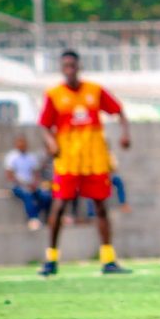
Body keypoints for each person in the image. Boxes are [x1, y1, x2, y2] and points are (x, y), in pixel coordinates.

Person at [38, 49, 132, 276]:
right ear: (62, 69)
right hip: (68, 160)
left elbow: (119, 111)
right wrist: (51, 142)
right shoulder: (54, 94)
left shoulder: (94, 91)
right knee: (59, 206)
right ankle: (51, 259)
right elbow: (43, 125)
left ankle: (108, 260)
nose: (69, 70)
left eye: (73, 65)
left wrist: (125, 133)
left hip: (94, 159)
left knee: (100, 206)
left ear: (79, 67)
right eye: (65, 66)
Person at [4, 134, 51, 231]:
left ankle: (44, 217)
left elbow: (35, 173)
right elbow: (10, 175)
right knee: (27, 194)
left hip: (31, 185)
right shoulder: (11, 157)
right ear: (16, 144)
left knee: (46, 196)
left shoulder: (31, 157)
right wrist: (24, 184)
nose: (22, 145)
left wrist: (34, 184)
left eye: (23, 143)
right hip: (17, 186)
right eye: (19, 143)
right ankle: (33, 219)